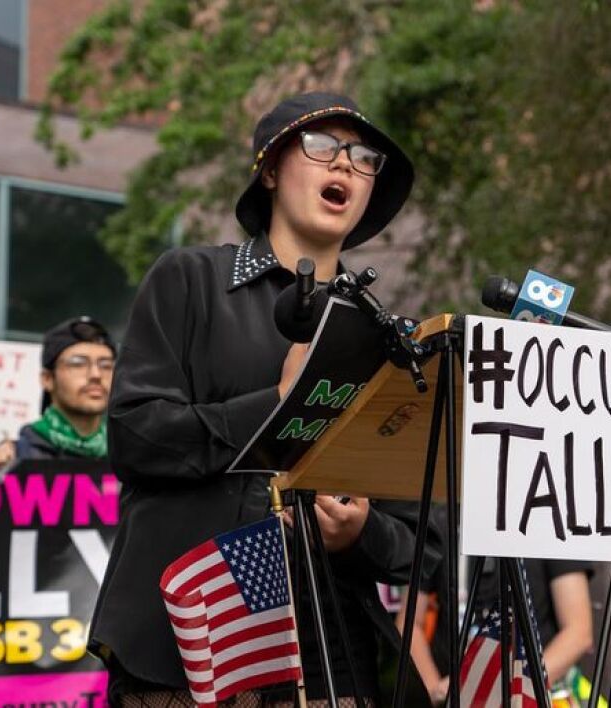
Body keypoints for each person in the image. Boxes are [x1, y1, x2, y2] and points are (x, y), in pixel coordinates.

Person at [88, 92, 439, 707]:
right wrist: (277, 402)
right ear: (271, 169)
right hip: (190, 655)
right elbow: (135, 437)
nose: (344, 167)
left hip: (332, 663)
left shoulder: (388, 340)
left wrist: (359, 532)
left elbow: (425, 543)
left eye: (363, 159)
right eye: (321, 147)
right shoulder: (190, 279)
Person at [396, 504, 594, 705]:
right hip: (458, 695)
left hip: (534, 693)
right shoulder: (441, 519)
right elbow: (409, 622)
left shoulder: (549, 519)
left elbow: (578, 631)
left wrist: (509, 686)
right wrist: (434, 689)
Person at [0, 316, 116, 464]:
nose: (96, 375)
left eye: (106, 365)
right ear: (47, 379)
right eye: (78, 364)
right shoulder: (13, 459)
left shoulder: (131, 458)